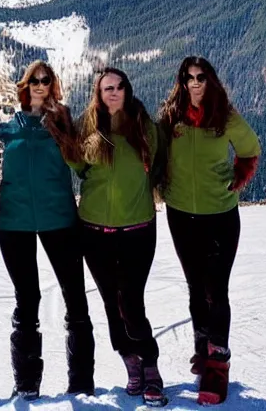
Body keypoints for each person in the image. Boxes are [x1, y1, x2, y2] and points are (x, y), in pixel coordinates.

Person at [158, 56, 261, 405]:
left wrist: (238, 179)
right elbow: (154, 152)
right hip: (180, 215)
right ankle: (204, 352)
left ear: (210, 79)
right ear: (181, 81)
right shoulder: (171, 115)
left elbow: (250, 150)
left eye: (201, 77)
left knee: (216, 289)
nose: (195, 83)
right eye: (188, 77)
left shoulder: (225, 114)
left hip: (220, 215)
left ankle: (218, 366)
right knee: (195, 289)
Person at [0, 60, 95, 400]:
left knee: (75, 298)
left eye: (46, 80)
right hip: (14, 223)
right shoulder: (10, 128)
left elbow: (85, 163)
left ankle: (81, 382)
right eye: (35, 80)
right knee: (27, 300)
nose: (40, 85)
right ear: (26, 86)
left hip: (61, 221)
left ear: (54, 84)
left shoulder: (64, 122)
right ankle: (26, 383)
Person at [74, 67, 167, 407]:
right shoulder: (86, 127)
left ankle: (151, 364)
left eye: (118, 87)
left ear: (127, 90)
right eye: (106, 88)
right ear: (98, 94)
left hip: (138, 229)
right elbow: (77, 165)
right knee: (111, 304)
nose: (112, 92)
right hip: (94, 231)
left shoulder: (144, 127)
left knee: (131, 301)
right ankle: (131, 362)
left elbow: (158, 165)